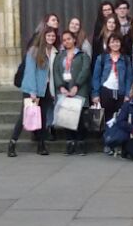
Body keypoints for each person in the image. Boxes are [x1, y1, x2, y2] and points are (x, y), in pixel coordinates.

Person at [8, 25, 56, 157]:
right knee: (24, 116)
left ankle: (41, 145)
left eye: (53, 36)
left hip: (46, 89)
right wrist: (33, 92)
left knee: (43, 118)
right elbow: (30, 72)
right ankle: (12, 143)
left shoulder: (54, 51)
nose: (51, 38)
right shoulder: (34, 51)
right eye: (48, 36)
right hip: (32, 89)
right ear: (43, 37)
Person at [52, 29, 90, 155]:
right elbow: (56, 72)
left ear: (74, 40)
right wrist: (61, 87)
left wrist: (76, 86)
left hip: (78, 90)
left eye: (69, 39)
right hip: (64, 89)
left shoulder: (82, 55)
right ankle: (70, 142)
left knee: (79, 119)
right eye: (64, 40)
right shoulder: (59, 56)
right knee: (66, 117)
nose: (66, 41)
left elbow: (85, 71)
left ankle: (81, 143)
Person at [92, 32, 130, 151]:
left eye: (117, 41)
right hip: (106, 90)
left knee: (120, 117)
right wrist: (95, 93)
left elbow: (129, 77)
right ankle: (108, 141)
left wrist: (128, 94)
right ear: (108, 44)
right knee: (107, 117)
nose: (115, 44)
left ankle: (118, 141)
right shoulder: (102, 58)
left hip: (121, 91)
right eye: (112, 41)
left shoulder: (125, 59)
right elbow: (96, 77)